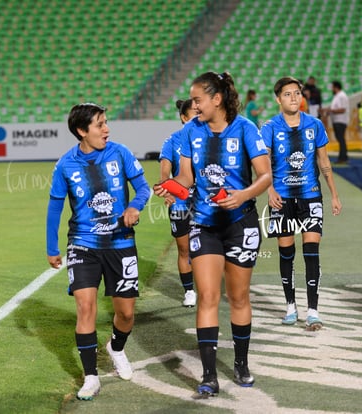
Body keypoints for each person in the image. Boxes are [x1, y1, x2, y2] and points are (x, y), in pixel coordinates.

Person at [154, 72, 271, 397]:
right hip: (203, 224)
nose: (194, 105)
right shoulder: (190, 131)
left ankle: (241, 364)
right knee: (207, 297)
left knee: (238, 297)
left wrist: (244, 195)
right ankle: (208, 376)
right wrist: (171, 188)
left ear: (216, 99)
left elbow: (265, 175)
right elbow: (187, 178)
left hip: (240, 223)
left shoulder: (246, 127)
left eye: (198, 99)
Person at [46, 103, 150, 400]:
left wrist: (134, 206)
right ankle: (91, 376)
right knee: (85, 307)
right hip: (83, 244)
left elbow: (143, 188)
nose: (107, 129)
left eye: (106, 123)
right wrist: (52, 247)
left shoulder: (120, 152)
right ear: (82, 131)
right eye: (100, 124)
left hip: (120, 243)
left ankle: (115, 348)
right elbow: (55, 206)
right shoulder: (65, 165)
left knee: (126, 313)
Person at [261, 76, 342, 331]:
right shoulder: (270, 127)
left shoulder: (315, 125)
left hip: (310, 195)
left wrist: (334, 194)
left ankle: (313, 311)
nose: (294, 97)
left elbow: (324, 162)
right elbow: (263, 166)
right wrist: (270, 190)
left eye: (297, 93)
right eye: (287, 94)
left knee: (311, 253)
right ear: (278, 99)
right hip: (282, 199)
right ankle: (290, 306)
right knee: (287, 253)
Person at [159, 99, 197, 307]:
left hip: (206, 202)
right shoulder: (172, 141)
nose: (199, 115)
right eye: (194, 112)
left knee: (208, 247)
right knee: (184, 250)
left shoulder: (208, 137)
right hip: (181, 203)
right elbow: (165, 171)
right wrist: (167, 189)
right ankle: (189, 291)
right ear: (184, 117)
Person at [325, 81, 350, 164]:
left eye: (332, 87)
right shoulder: (337, 96)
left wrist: (330, 110)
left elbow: (342, 109)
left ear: (336, 87)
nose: (332, 89)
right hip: (336, 120)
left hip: (340, 120)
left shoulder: (342, 96)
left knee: (341, 139)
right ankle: (343, 156)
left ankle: (343, 157)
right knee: (340, 139)